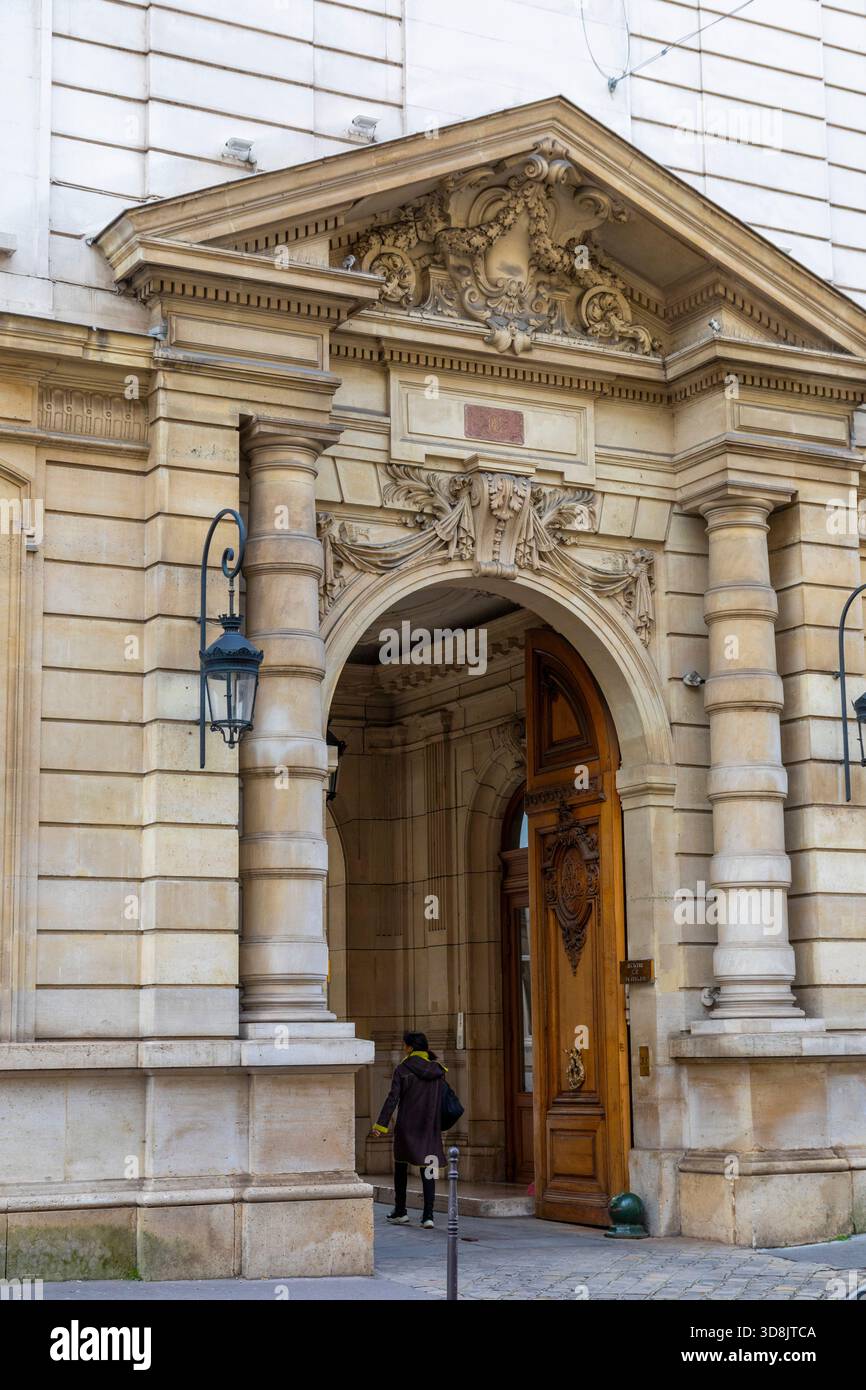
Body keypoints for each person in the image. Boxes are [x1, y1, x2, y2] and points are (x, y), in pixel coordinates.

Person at [371, 1030, 446, 1228]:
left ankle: (400, 1211)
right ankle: (428, 1215)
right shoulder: (438, 1070)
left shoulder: (402, 1069)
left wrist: (381, 1125)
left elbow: (392, 1099)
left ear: (410, 1048)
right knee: (429, 1169)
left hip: (407, 1125)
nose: (403, 1048)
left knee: (401, 1168)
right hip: (429, 1126)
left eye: (404, 1045)